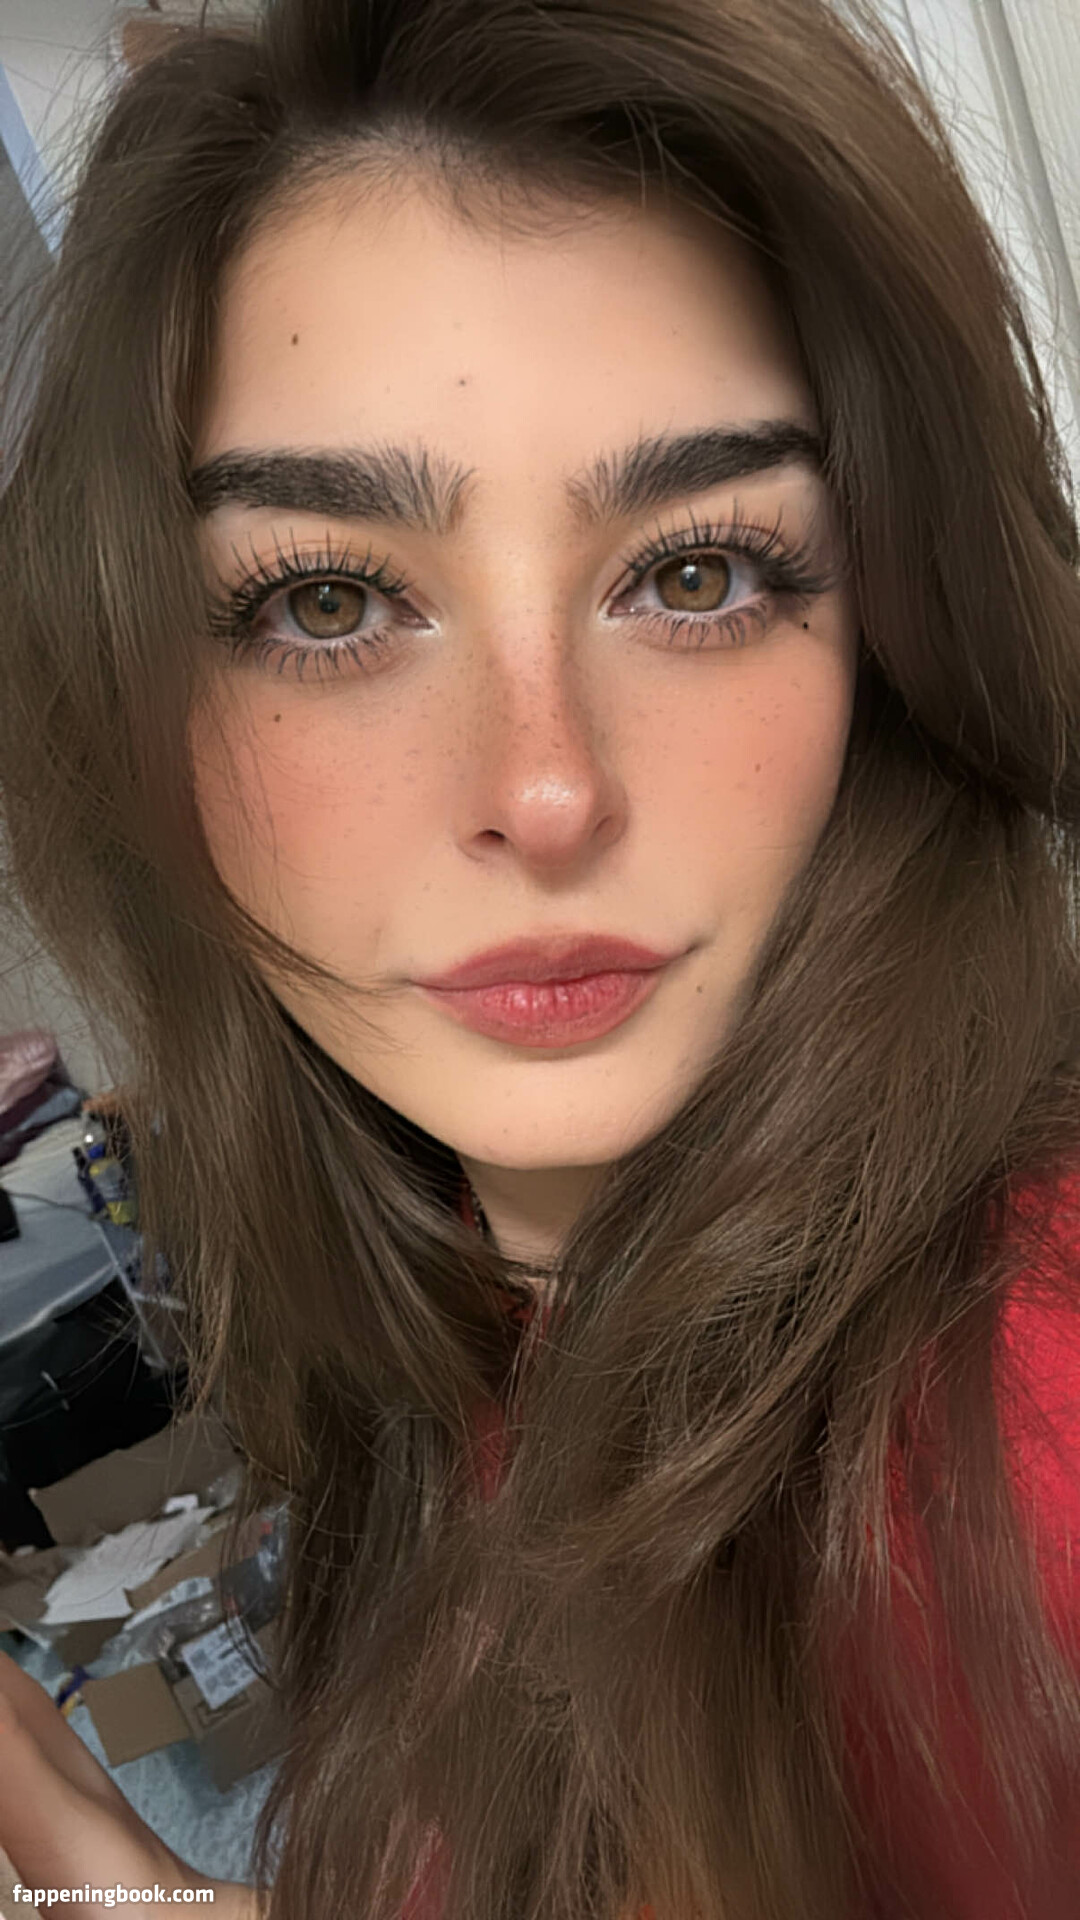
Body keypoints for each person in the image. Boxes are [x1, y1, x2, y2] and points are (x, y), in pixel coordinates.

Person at [0, 0, 1079, 1914]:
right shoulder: (491, 1288)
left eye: (696, 573)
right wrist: (104, 1872)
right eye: (329, 601)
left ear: (890, 643)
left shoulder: (1026, 1402)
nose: (546, 790)